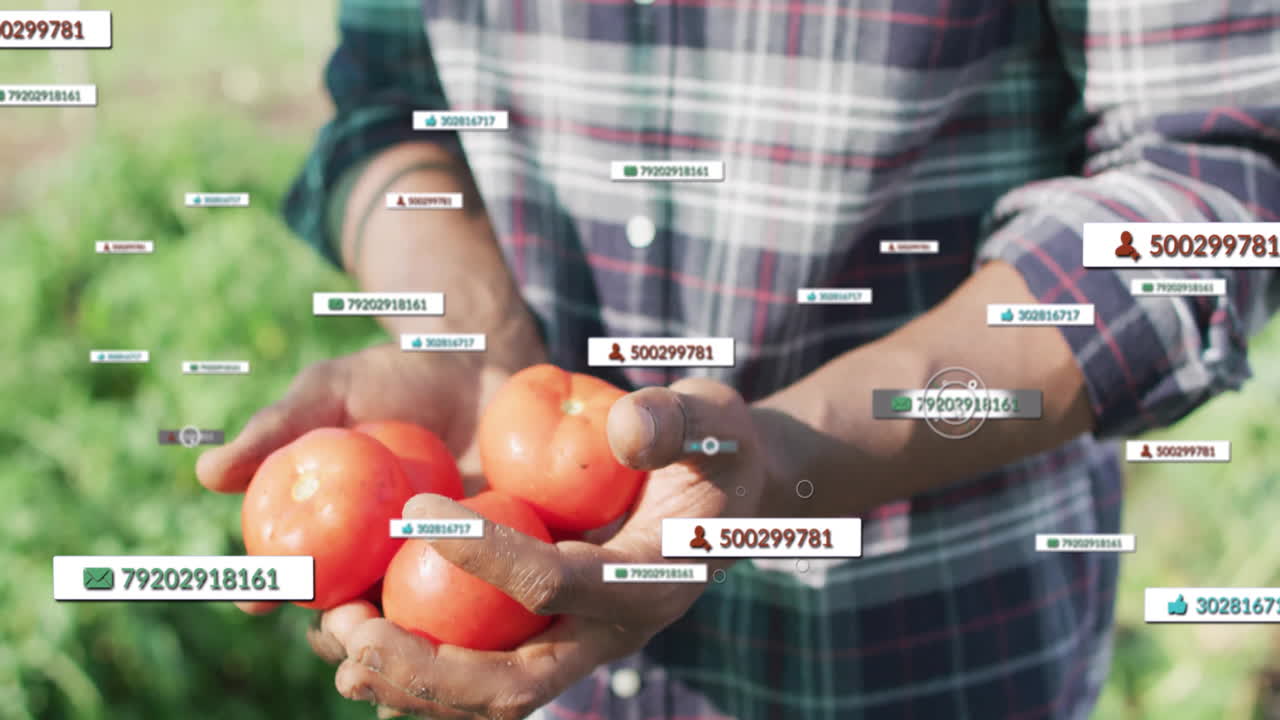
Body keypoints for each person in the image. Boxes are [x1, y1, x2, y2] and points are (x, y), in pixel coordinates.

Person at [196, 0, 1280, 718]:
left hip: (921, 648)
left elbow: (1207, 185)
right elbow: (389, 93)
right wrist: (473, 341)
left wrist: (778, 458)